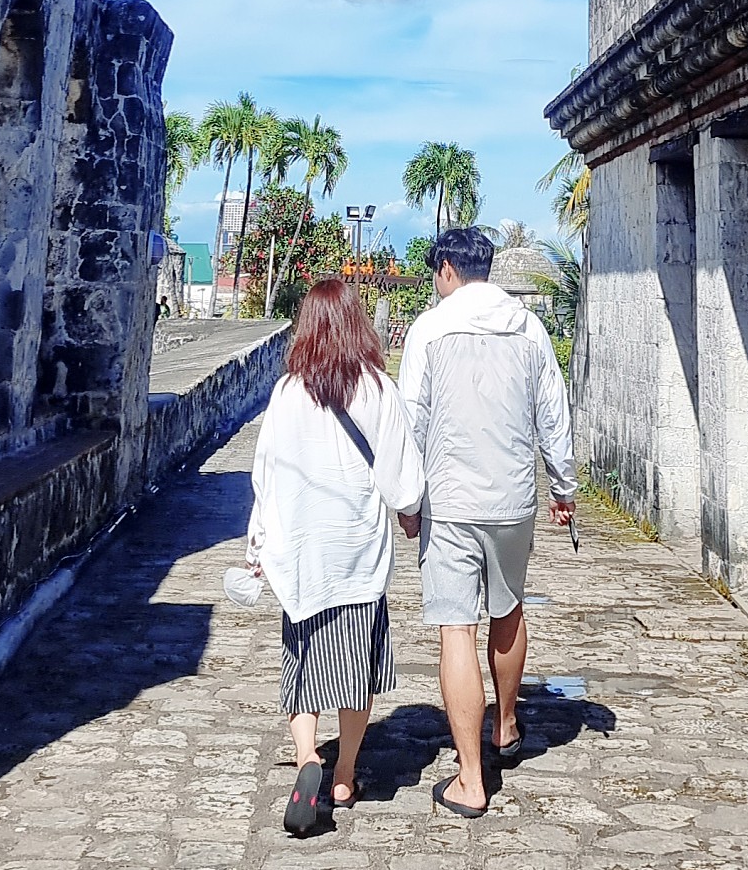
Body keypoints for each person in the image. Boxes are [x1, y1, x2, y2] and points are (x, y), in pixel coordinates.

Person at [397, 225, 577, 819]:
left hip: (450, 503)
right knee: (509, 609)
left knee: (456, 630)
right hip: (511, 498)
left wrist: (407, 500)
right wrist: (564, 488)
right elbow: (553, 412)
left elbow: (412, 419)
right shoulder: (529, 328)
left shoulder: (430, 328)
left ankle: (471, 779)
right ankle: (505, 726)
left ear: (447, 268)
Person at [247, 276, 426, 834]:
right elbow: (401, 472)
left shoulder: (287, 392)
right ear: (357, 325)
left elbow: (265, 473)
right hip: (355, 556)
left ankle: (307, 760)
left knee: (301, 667)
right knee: (354, 674)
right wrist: (409, 507)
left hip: (301, 556)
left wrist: (260, 537)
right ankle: (345, 775)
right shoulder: (375, 387)